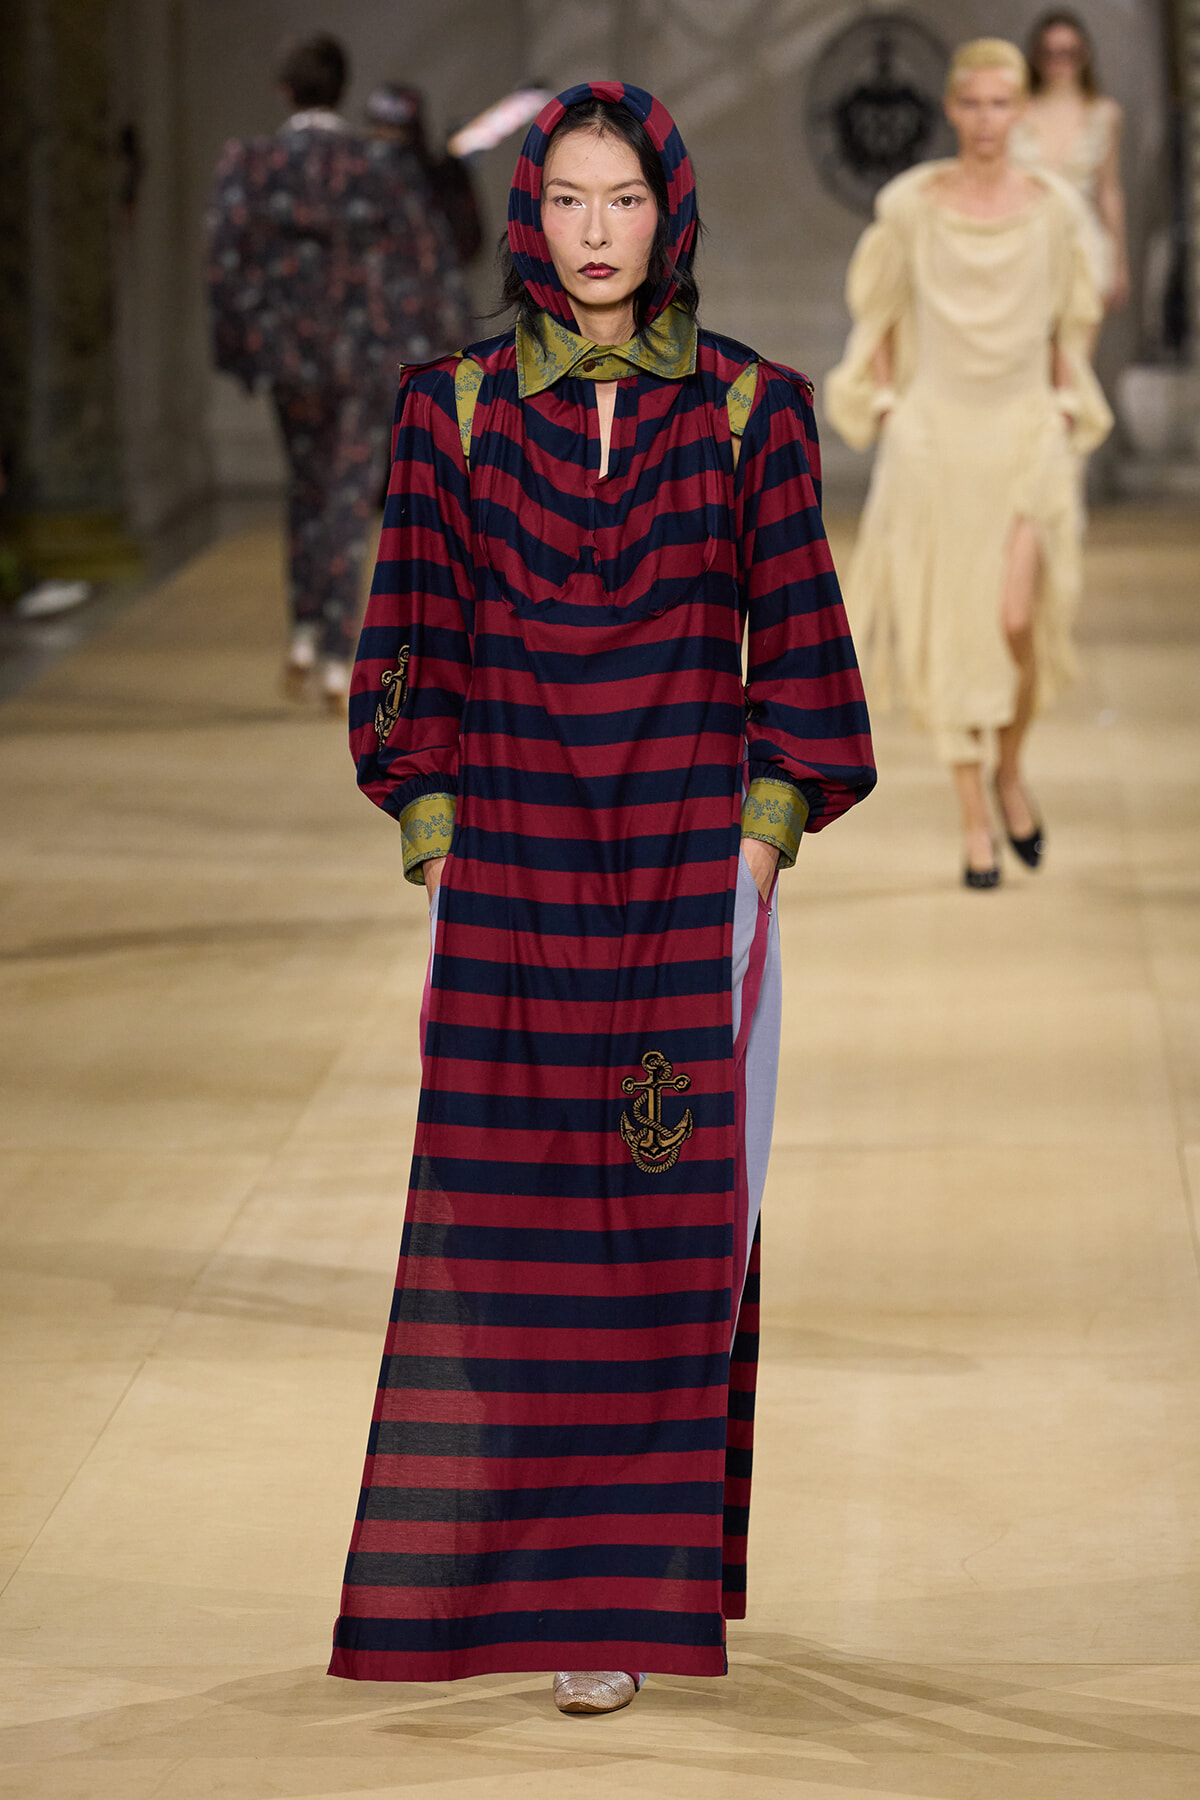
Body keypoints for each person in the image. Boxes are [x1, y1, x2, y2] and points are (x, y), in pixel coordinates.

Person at [329, 81, 875, 1713]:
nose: (590, 232)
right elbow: (408, 639)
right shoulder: (455, 410)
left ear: (670, 214)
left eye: (621, 200)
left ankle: (610, 1602)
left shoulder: (750, 412)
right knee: (505, 1237)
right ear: (526, 216)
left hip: (689, 876)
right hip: (509, 872)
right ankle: (528, 1565)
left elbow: (806, 660)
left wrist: (756, 854)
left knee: (662, 1227)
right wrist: (435, 832)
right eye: (564, 199)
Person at [825, 38, 1111, 888]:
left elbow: (1072, 320)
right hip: (937, 440)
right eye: (973, 104)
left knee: (1020, 619)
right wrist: (888, 407)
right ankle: (974, 817)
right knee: (950, 635)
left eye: (1002, 105)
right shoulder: (911, 205)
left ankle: (1011, 766)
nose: (988, 121)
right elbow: (877, 318)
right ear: (952, 109)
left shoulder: (1056, 211)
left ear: (1021, 111)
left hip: (1024, 433)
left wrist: (1063, 407)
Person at [206, 35, 471, 712]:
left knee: (307, 486)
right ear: (341, 89)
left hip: (289, 355)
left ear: (285, 91)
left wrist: (241, 347)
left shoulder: (253, 164)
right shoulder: (376, 165)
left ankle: (303, 628)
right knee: (349, 500)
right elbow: (428, 258)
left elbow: (224, 256)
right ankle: (332, 649)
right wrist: (452, 353)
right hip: (364, 355)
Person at [1011, 10, 1128, 315]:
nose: (1059, 62)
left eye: (1068, 53)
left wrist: (1119, 262)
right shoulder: (1015, 111)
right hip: (1024, 244)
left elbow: (1109, 190)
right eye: (1050, 53)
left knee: (1077, 351)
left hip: (1084, 243)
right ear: (1036, 56)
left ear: (1084, 54)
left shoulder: (1105, 114)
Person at [364, 83, 485, 268]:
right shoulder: (361, 180)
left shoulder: (439, 177)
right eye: (378, 128)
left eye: (388, 130)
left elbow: (468, 243)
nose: (380, 137)